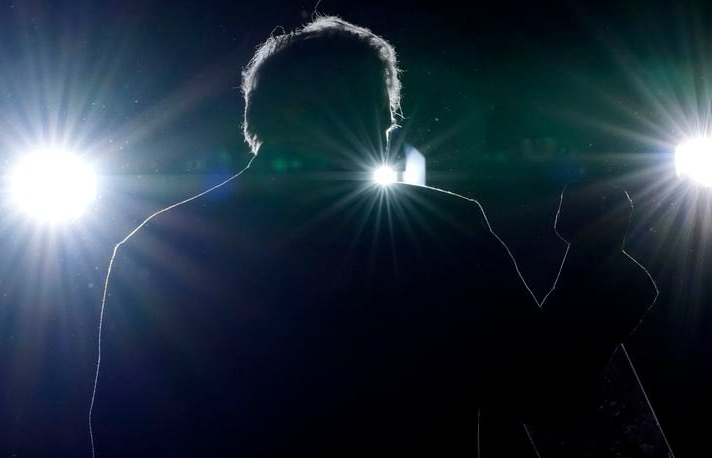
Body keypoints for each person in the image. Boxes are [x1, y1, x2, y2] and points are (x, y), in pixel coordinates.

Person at [94, 16, 654, 457]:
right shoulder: (440, 229)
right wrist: (594, 255)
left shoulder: (160, 245)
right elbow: (543, 391)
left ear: (258, 121)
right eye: (376, 116)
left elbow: (123, 434)